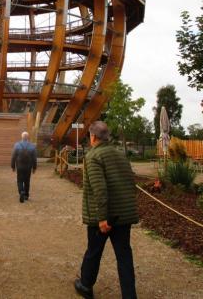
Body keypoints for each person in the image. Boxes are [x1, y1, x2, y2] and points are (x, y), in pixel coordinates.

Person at [74, 121, 138, 299]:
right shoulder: (120, 155)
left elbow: (99, 189)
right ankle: (130, 295)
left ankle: (86, 285)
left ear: (93, 136)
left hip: (102, 218)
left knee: (94, 251)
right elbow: (129, 183)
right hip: (122, 216)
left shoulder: (94, 156)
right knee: (124, 256)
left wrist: (102, 218)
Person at [11, 131, 37, 203]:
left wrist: (13, 166)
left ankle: (21, 192)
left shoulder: (17, 145)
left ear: (22, 137)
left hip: (19, 166)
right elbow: (34, 158)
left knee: (19, 180)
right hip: (28, 167)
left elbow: (13, 157)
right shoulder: (32, 146)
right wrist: (34, 168)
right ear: (28, 137)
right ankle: (26, 195)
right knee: (27, 181)